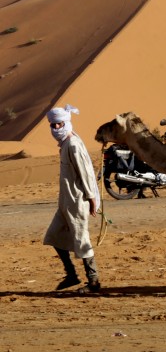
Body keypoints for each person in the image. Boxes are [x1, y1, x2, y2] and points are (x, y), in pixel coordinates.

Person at [43, 105, 101, 291]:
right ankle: (71, 275)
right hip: (65, 202)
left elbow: (85, 173)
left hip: (78, 200)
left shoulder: (73, 144)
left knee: (82, 239)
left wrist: (91, 198)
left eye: (59, 124)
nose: (56, 128)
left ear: (66, 122)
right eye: (53, 125)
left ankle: (93, 281)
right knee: (53, 236)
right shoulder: (65, 144)